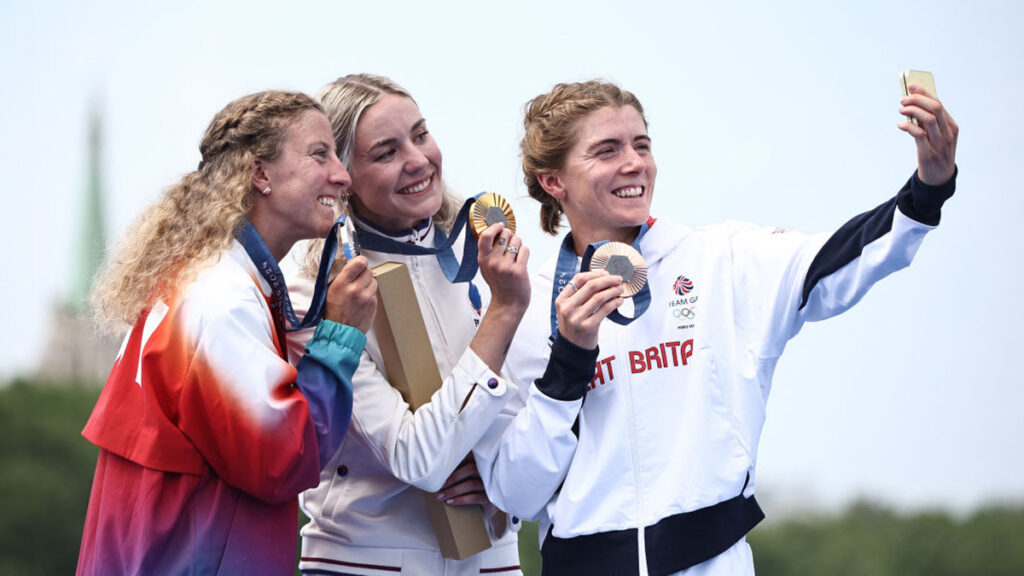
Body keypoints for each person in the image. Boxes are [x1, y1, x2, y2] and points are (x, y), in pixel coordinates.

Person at [472, 79, 958, 576]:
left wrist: (926, 191)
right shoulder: (524, 306)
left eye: (642, 145)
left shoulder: (721, 260)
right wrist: (570, 360)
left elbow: (838, 256)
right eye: (607, 151)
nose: (635, 162)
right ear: (554, 182)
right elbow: (516, 491)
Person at [76, 91, 378, 575]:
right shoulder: (223, 300)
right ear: (260, 174)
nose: (342, 176)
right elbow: (281, 460)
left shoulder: (205, 278)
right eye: (319, 154)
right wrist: (339, 336)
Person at [284, 74, 530, 576]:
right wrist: (503, 314)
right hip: (364, 562)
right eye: (386, 152)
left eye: (420, 135)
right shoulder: (314, 291)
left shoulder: (486, 258)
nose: (417, 160)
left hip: (494, 560)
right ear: (342, 173)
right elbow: (418, 457)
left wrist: (507, 484)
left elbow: (531, 413)